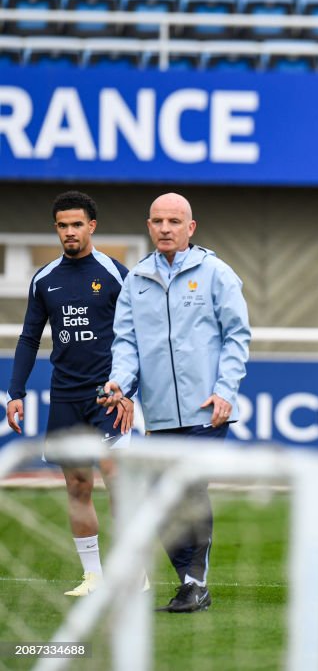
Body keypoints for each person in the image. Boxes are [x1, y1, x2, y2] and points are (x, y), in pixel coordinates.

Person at [98, 193, 251, 614]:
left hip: (208, 408)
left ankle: (194, 583)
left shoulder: (217, 273)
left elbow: (238, 337)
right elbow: (126, 342)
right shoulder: (137, 280)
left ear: (191, 227)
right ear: (149, 226)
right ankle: (190, 581)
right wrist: (120, 383)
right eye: (158, 221)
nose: (166, 228)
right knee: (159, 495)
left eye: (174, 221)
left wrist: (225, 391)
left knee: (187, 487)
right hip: (160, 411)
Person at [5, 191, 134, 597]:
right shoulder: (45, 279)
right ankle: (93, 576)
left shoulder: (115, 273)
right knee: (78, 485)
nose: (70, 232)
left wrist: (128, 389)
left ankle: (132, 570)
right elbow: (29, 338)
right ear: (56, 229)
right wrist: (16, 392)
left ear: (92, 226)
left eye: (77, 224)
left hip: (109, 395)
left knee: (118, 480)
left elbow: (137, 336)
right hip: (65, 396)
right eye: (63, 225)